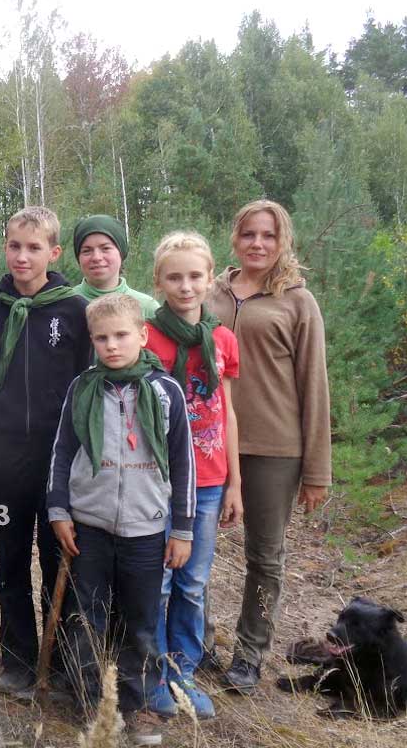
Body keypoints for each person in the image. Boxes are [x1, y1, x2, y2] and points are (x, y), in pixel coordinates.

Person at [47, 293, 195, 746]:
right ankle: (92, 699)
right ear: (92, 342)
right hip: (88, 527)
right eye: (102, 338)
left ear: (143, 335)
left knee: (142, 620)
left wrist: (183, 529)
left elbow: (183, 461)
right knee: (85, 616)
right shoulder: (83, 388)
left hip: (145, 530)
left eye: (121, 336)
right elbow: (61, 452)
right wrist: (59, 509)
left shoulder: (164, 391)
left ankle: (140, 703)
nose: (112, 346)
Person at [209, 200, 331, 694]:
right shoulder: (211, 295)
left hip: (275, 449)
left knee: (264, 556)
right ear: (235, 238)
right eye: (249, 234)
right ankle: (190, 638)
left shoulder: (298, 302)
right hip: (208, 442)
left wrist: (317, 470)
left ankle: (249, 652)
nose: (258, 243)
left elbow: (314, 386)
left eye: (269, 236)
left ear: (283, 243)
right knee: (189, 546)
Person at [0, 206, 91, 697]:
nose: (23, 256)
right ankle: (18, 658)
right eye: (15, 246)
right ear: (5, 248)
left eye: (34, 247)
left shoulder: (74, 311)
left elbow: (88, 382)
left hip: (58, 458)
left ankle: (59, 662)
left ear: (54, 253)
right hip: (6, 457)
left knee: (56, 559)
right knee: (9, 560)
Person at [144, 232, 243, 720]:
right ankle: (155, 671)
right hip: (158, 481)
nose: (185, 287)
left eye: (195, 277)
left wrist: (235, 484)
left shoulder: (222, 338)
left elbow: (226, 412)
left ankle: (184, 667)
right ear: (159, 282)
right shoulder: (147, 336)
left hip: (208, 481)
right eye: (174, 277)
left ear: (210, 279)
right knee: (159, 579)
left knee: (193, 581)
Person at [70, 215, 158, 318]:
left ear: (121, 252)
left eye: (105, 248)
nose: (96, 257)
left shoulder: (147, 308)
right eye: (87, 251)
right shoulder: (63, 305)